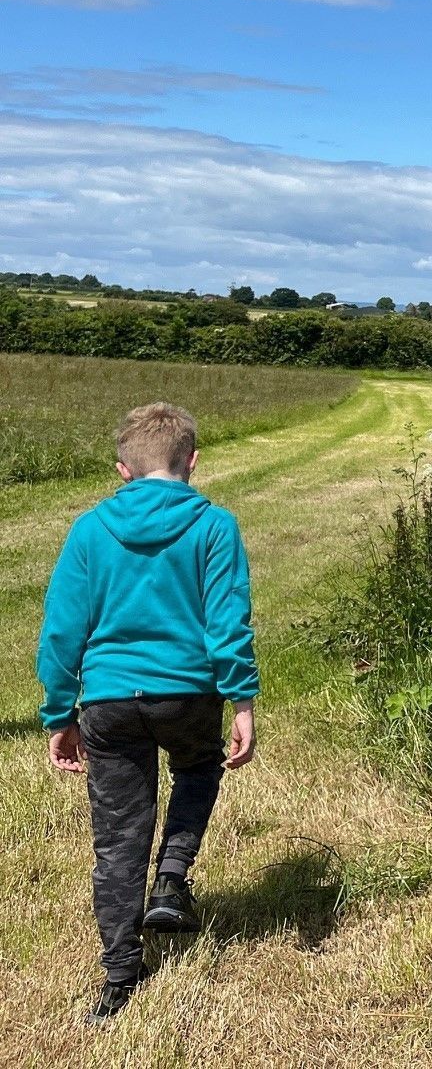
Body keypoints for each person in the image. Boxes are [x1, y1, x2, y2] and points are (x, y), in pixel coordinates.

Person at [36, 402, 259, 1025]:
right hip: (189, 694)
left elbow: (62, 631)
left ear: (123, 470)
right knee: (199, 766)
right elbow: (228, 622)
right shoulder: (215, 526)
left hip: (109, 702)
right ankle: (172, 876)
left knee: (117, 839)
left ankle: (118, 976)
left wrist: (60, 714)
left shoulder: (90, 530)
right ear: (193, 461)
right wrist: (242, 700)